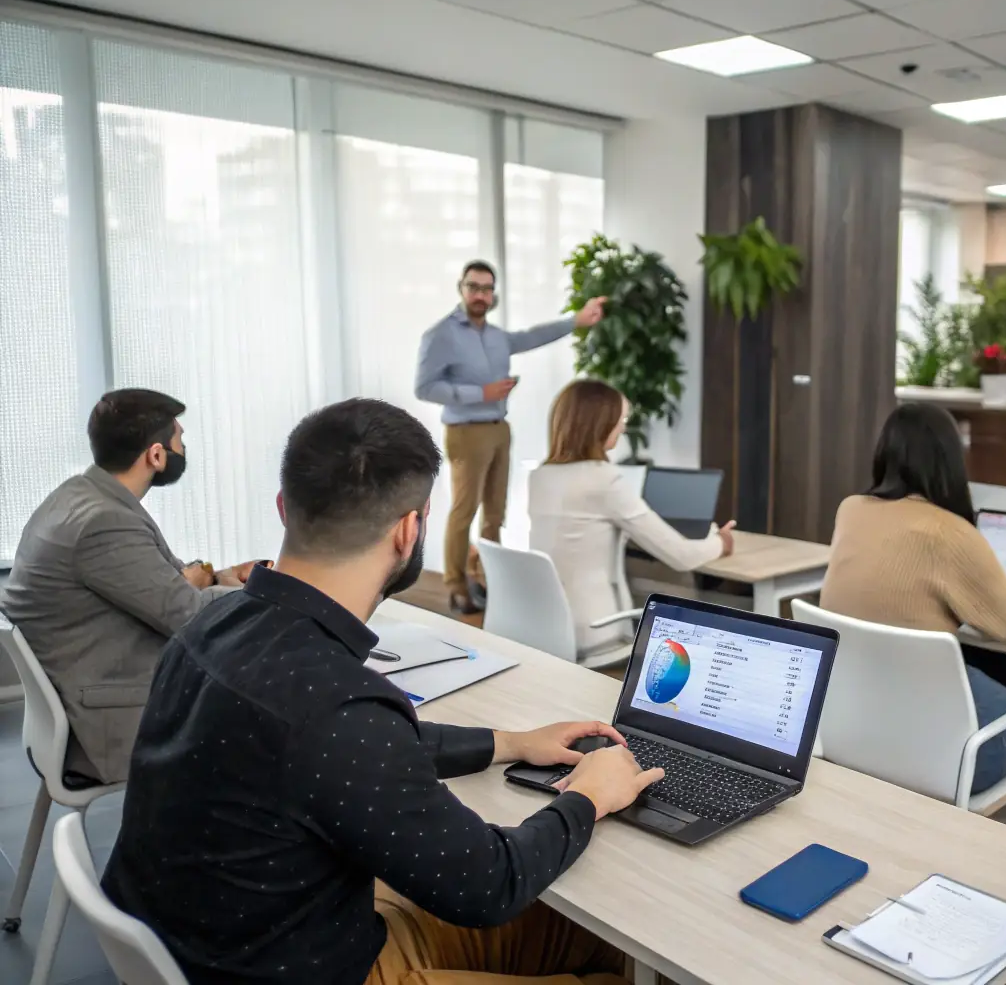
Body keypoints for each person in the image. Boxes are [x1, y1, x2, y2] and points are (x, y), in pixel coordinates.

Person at [102, 398, 664, 985]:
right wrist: (589, 799)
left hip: (222, 947)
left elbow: (341, 748)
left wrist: (509, 742)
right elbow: (490, 885)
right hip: (319, 969)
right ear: (408, 530)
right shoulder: (336, 705)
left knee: (597, 943)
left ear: (283, 508)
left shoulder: (210, 627)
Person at [0, 389, 260, 785]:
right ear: (156, 455)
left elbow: (172, 581)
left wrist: (224, 576)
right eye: (180, 441)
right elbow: (189, 616)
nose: (183, 448)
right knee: (273, 725)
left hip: (76, 705)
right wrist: (265, 591)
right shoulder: (104, 523)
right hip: (108, 727)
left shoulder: (80, 496)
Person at [819, 402, 1006, 792]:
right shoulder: (950, 533)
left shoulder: (851, 509)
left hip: (854, 728)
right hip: (937, 754)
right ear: (951, 460)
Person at [415, 260, 607, 615]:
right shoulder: (440, 335)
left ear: (494, 294)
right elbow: (424, 388)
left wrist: (575, 321)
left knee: (496, 512)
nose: (480, 295)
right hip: (466, 432)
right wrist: (480, 392)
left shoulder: (495, 336)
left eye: (487, 289)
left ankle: (487, 577)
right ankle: (456, 585)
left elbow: (531, 337)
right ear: (461, 288)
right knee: (464, 511)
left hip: (499, 429)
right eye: (474, 287)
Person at [529, 380, 735, 662]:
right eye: (621, 419)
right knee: (680, 582)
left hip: (545, 626)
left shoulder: (540, 477)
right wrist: (719, 542)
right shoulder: (604, 479)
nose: (624, 427)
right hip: (598, 635)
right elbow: (681, 556)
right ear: (600, 424)